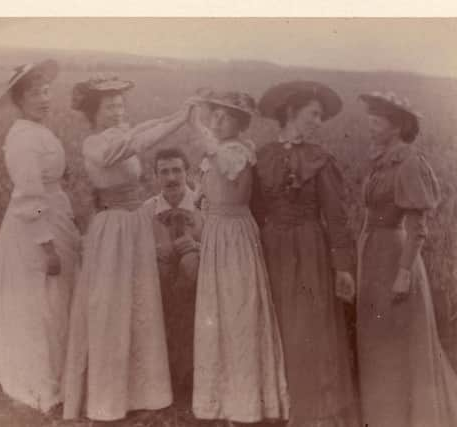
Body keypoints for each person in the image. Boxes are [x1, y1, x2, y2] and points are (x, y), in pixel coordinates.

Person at [62, 75, 191, 422]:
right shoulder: (95, 144)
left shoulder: (123, 133)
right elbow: (136, 142)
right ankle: (107, 397)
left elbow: (142, 129)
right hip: (113, 228)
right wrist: (178, 121)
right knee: (112, 306)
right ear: (94, 112)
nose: (118, 111)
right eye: (109, 106)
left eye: (121, 104)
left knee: (139, 302)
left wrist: (179, 113)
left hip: (133, 225)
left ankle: (143, 391)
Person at [357, 91, 457, 427]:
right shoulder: (380, 159)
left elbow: (417, 226)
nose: (371, 122)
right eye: (371, 115)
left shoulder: (407, 162)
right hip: (373, 257)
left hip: (395, 257)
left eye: (378, 117)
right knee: (378, 342)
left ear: (397, 126)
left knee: (399, 343)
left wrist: (404, 272)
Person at [253, 81, 360, 426]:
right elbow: (253, 210)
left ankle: (313, 412)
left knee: (308, 329)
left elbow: (337, 217)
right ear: (290, 112)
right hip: (271, 250)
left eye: (320, 116)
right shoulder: (263, 156)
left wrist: (343, 267)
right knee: (277, 326)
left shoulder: (319, 160)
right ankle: (277, 406)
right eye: (313, 114)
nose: (318, 121)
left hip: (310, 252)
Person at [187, 91, 289, 424]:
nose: (218, 121)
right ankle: (219, 400)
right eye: (214, 114)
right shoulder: (216, 154)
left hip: (235, 237)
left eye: (226, 117)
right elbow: (202, 195)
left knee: (238, 311)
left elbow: (224, 164)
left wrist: (195, 122)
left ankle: (246, 403)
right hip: (216, 235)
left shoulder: (239, 151)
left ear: (241, 124)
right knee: (217, 311)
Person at [0, 59, 81, 412]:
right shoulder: (22, 138)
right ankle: (41, 381)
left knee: (57, 302)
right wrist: (47, 246)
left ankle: (61, 372)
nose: (43, 99)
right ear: (19, 100)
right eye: (33, 94)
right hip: (34, 228)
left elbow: (48, 178)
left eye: (45, 91)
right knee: (41, 303)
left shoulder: (39, 131)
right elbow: (29, 196)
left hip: (54, 214)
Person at [144, 147, 203, 397]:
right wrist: (155, 251)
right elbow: (136, 251)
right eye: (164, 172)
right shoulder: (147, 210)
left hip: (199, 288)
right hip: (160, 288)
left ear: (186, 172)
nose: (171, 178)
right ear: (155, 177)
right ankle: (164, 376)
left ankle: (194, 375)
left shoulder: (204, 205)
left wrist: (199, 246)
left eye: (177, 170)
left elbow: (225, 245)